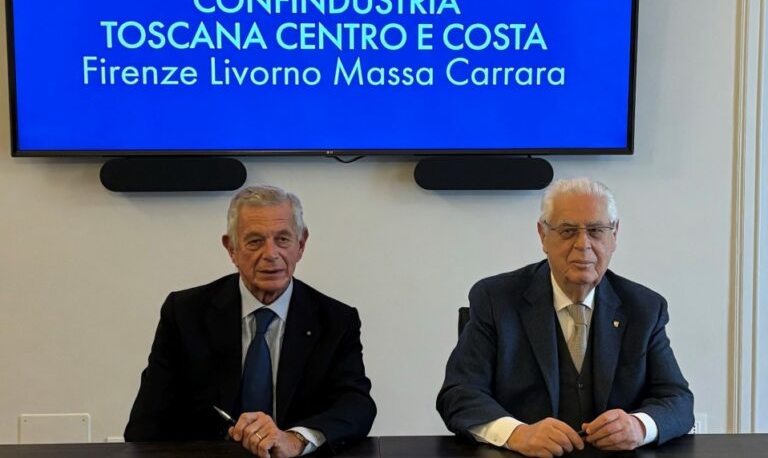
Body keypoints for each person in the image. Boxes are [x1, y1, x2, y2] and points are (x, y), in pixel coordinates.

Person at [436, 178, 694, 457]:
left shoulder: (644, 308)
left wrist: (639, 426)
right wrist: (517, 434)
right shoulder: (496, 300)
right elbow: (459, 394)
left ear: (614, 235)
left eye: (596, 231)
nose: (583, 244)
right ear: (543, 235)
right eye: (568, 231)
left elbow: (678, 400)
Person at [125, 185, 376, 457]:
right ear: (231, 248)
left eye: (283, 239)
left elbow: (356, 405)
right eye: (255, 241)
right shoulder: (185, 313)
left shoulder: (336, 320)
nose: (271, 254)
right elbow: (145, 425)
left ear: (301, 245)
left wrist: (295, 439)